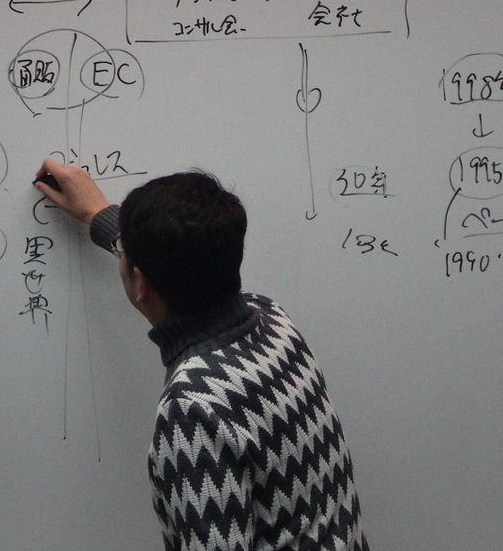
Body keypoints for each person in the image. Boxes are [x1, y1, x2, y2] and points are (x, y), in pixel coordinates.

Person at [35, 158, 369, 551]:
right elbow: (182, 262)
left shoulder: (193, 407)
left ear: (140, 283)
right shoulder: (272, 319)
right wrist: (99, 215)